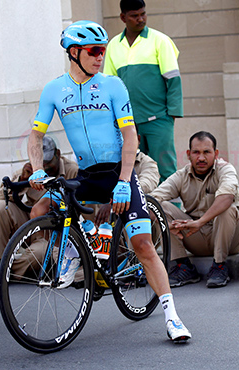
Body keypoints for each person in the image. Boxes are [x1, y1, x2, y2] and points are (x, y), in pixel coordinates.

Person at [27, 20, 191, 343]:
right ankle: (76, 248)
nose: (101, 57)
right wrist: (35, 169)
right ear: (73, 53)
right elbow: (36, 135)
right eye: (94, 51)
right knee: (54, 204)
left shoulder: (113, 86)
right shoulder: (54, 90)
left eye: (103, 50)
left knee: (142, 245)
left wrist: (124, 180)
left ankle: (172, 317)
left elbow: (130, 136)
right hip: (88, 174)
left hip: (120, 172)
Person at [151, 131, 239, 288]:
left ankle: (220, 266)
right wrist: (166, 226)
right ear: (189, 154)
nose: (201, 158)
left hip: (231, 238)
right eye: (196, 152)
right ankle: (183, 266)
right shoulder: (181, 175)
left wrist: (200, 222)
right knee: (160, 207)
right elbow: (151, 201)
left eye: (206, 152)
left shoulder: (226, 169)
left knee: (227, 208)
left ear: (215, 154)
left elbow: (226, 197)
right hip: (196, 237)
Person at [0, 136, 78, 282]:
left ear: (58, 154)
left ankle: (6, 272)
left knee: (40, 254)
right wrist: (22, 181)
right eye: (41, 163)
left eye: (47, 163)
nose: (44, 167)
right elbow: (0, 199)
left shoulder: (72, 170)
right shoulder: (32, 169)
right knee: (0, 209)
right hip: (30, 223)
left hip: (52, 232)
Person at [103, 0, 182, 183]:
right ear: (123, 17)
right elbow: (110, 86)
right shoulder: (114, 45)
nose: (140, 19)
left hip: (159, 119)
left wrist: (172, 115)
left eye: (143, 14)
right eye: (134, 16)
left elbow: (173, 80)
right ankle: (143, 210)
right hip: (128, 123)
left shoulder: (160, 40)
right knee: (136, 170)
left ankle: (171, 210)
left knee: (165, 168)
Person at [93, 125, 160, 226]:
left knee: (135, 205)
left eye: (126, 138)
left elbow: (147, 183)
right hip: (105, 217)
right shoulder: (104, 162)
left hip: (132, 211)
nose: (122, 144)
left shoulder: (147, 163)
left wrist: (115, 198)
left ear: (137, 139)